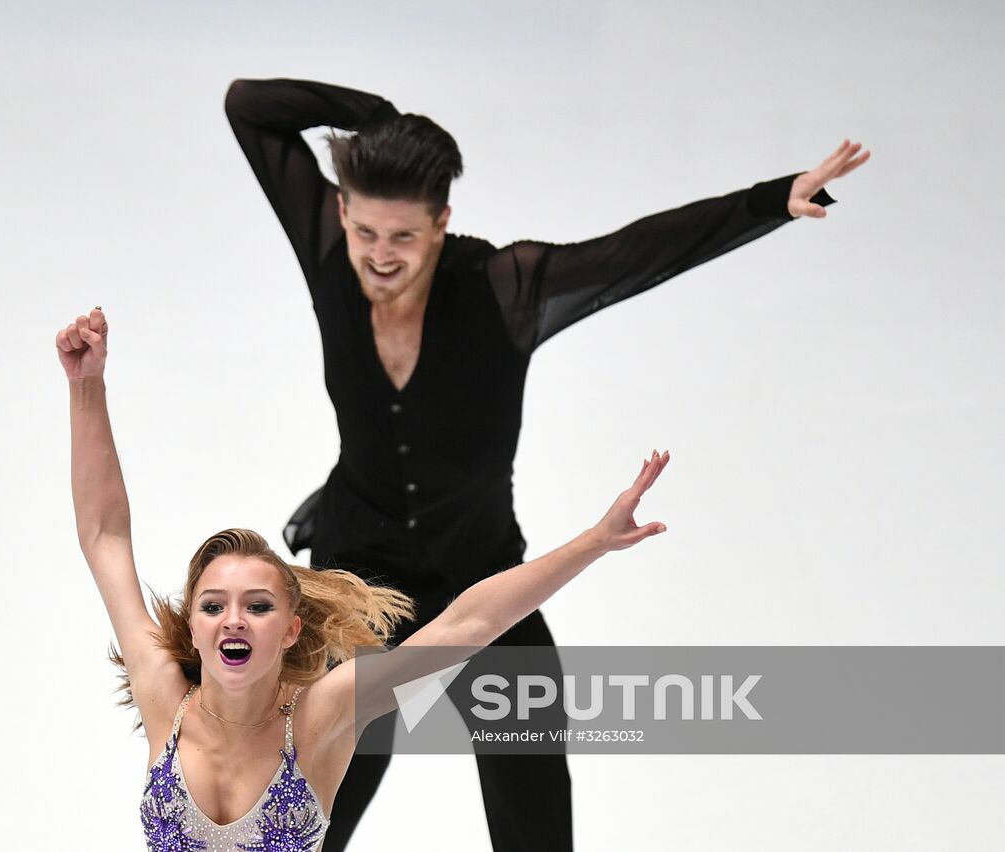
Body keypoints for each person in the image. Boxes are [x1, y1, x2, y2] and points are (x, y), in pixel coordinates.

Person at [223, 77, 869, 850]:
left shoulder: (505, 291)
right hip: (356, 584)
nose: (379, 257)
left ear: (441, 224)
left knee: (534, 816)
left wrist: (770, 201)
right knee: (303, 825)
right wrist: (378, 119)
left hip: (484, 581)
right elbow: (247, 106)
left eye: (402, 237)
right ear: (343, 215)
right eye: (365, 232)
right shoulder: (330, 247)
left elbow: (634, 254)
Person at [58, 307, 672, 852]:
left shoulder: (323, 715)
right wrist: (87, 387)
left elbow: (468, 622)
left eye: (258, 606)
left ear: (293, 629)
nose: (234, 619)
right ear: (192, 628)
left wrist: (595, 541)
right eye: (213, 606)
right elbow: (104, 537)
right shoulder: (164, 697)